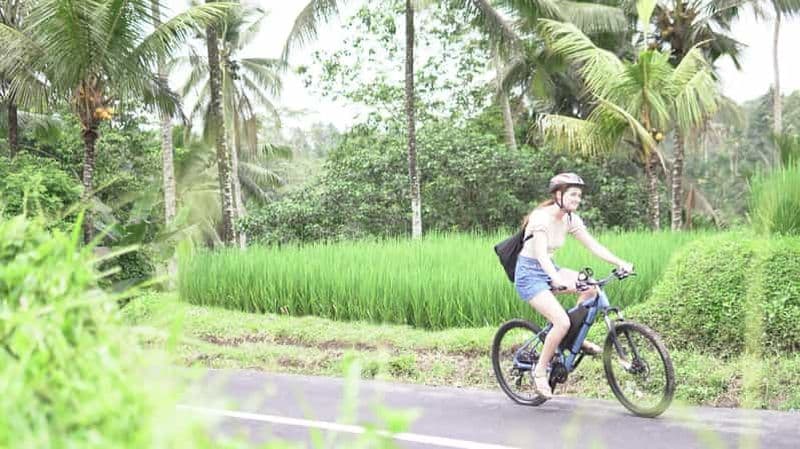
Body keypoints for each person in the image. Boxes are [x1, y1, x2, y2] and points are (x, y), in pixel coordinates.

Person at [514, 172, 634, 400]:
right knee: (560, 321)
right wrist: (555, 278)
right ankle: (540, 371)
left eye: (579, 195)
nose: (577, 199)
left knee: (591, 289)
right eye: (572, 194)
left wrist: (620, 262)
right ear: (558, 194)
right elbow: (540, 254)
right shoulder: (540, 218)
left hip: (550, 268)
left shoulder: (570, 218)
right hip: (530, 274)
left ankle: (572, 338)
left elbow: (594, 246)